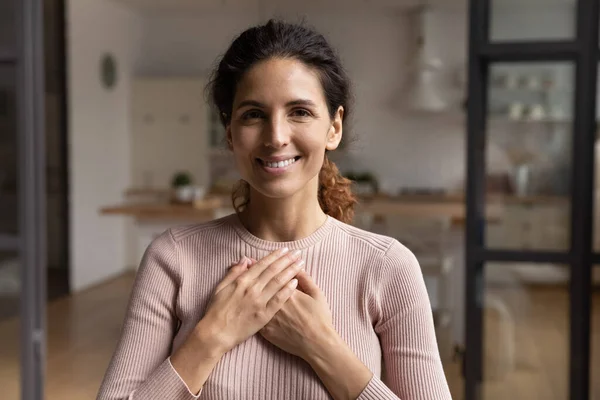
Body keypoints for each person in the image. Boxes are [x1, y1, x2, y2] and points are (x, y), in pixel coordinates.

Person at [97, 19, 452, 400]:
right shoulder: (173, 258)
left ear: (334, 127)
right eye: (253, 114)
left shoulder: (388, 267)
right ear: (230, 132)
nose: (277, 137)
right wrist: (212, 336)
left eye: (299, 111)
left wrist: (320, 346)